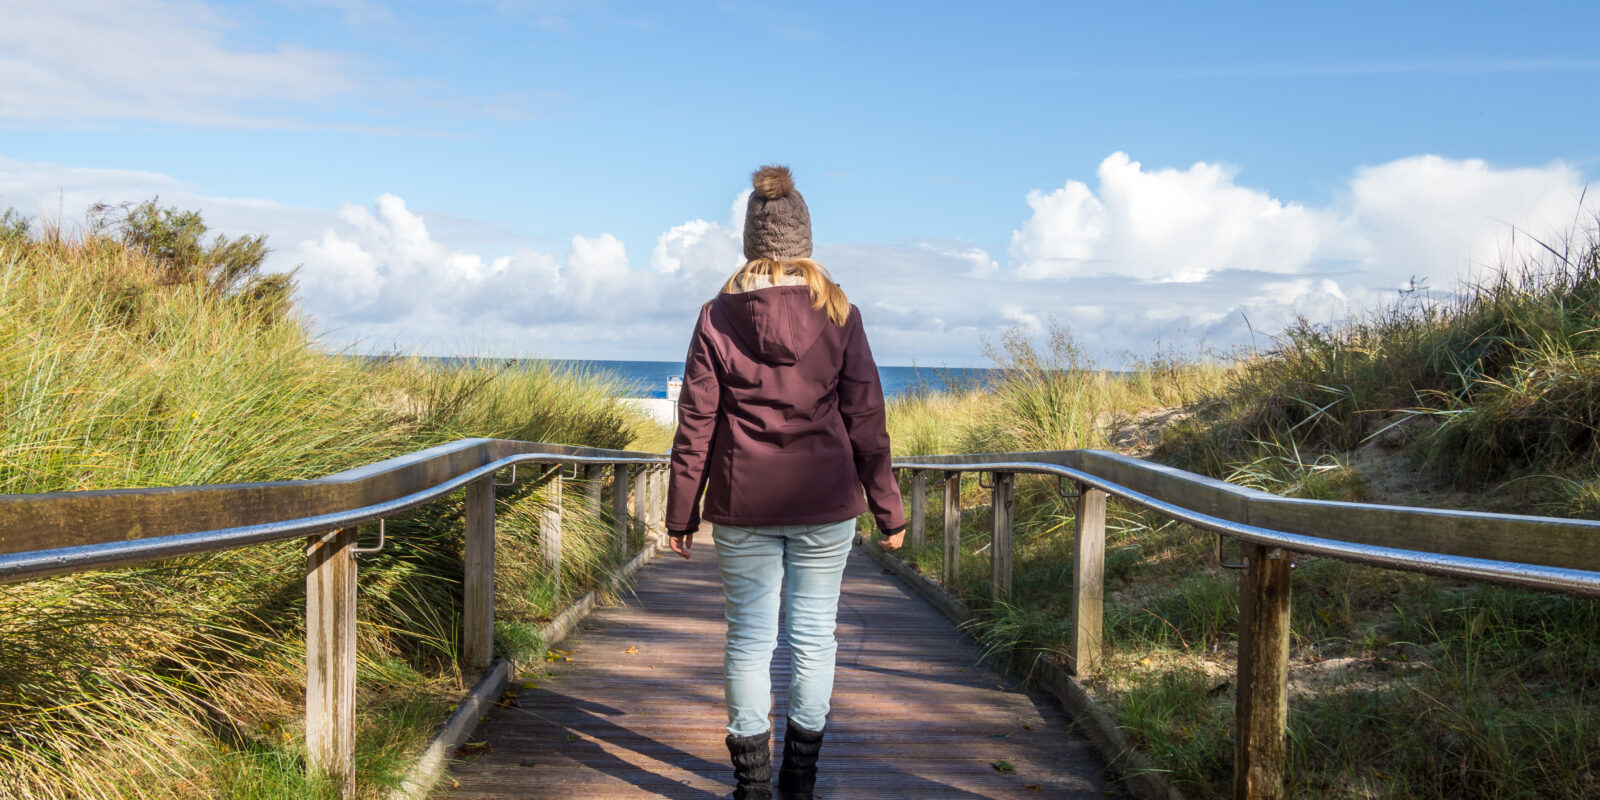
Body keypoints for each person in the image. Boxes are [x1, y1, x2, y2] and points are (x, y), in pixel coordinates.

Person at [664, 165, 906, 800]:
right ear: (804, 239)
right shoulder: (839, 312)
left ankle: (751, 787)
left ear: (750, 240)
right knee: (811, 637)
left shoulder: (716, 316)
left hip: (743, 506)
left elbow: (696, 422)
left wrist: (681, 514)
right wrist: (889, 510)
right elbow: (866, 416)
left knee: (748, 639)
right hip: (826, 504)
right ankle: (800, 780)